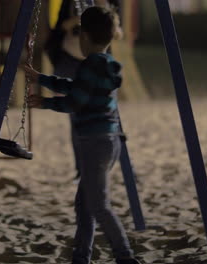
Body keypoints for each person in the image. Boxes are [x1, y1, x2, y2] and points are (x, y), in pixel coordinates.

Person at [25, 6, 141, 264]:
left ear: (84, 37)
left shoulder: (90, 65)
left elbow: (74, 102)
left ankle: (125, 255)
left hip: (94, 143)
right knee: (85, 204)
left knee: (99, 206)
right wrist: (42, 79)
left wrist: (46, 104)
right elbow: (75, 87)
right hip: (109, 142)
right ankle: (81, 256)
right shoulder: (107, 64)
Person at [44, 0, 121, 182]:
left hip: (98, 60)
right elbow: (60, 27)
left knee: (108, 114)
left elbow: (118, 32)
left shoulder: (109, 4)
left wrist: (108, 16)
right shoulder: (71, 3)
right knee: (79, 116)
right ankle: (83, 168)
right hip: (70, 61)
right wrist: (76, 21)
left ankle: (110, 167)